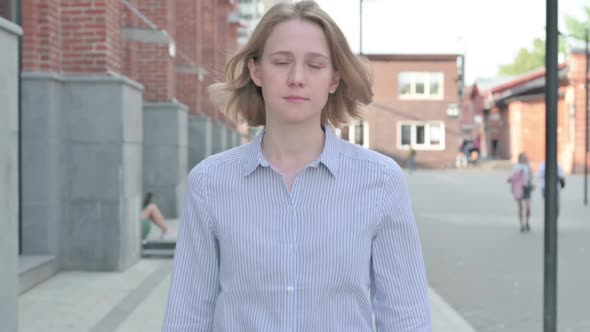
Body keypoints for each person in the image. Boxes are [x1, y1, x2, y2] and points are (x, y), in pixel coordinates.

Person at [162, 1, 431, 331]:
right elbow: (188, 312)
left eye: (315, 65)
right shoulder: (209, 182)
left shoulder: (382, 181)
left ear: (334, 78)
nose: (297, 78)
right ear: (256, 70)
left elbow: (405, 313)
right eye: (281, 61)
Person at [507, 153, 533, 232]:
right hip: (519, 187)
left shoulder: (528, 166)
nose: (524, 159)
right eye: (523, 157)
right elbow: (513, 177)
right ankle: (521, 224)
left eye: (525, 157)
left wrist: (531, 184)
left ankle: (527, 222)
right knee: (520, 207)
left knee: (528, 207)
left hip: (527, 186)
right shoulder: (516, 166)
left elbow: (530, 176)